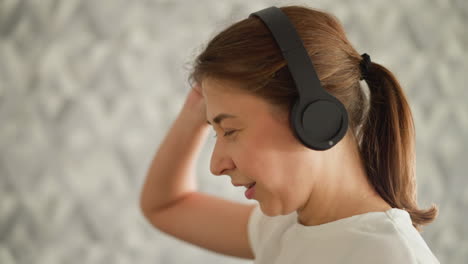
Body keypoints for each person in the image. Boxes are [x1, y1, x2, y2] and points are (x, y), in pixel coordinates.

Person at [139, 4, 440, 263]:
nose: (216, 165)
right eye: (217, 133)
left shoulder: (389, 256)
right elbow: (166, 205)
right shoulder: (285, 227)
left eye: (230, 130)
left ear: (316, 119)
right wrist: (195, 111)